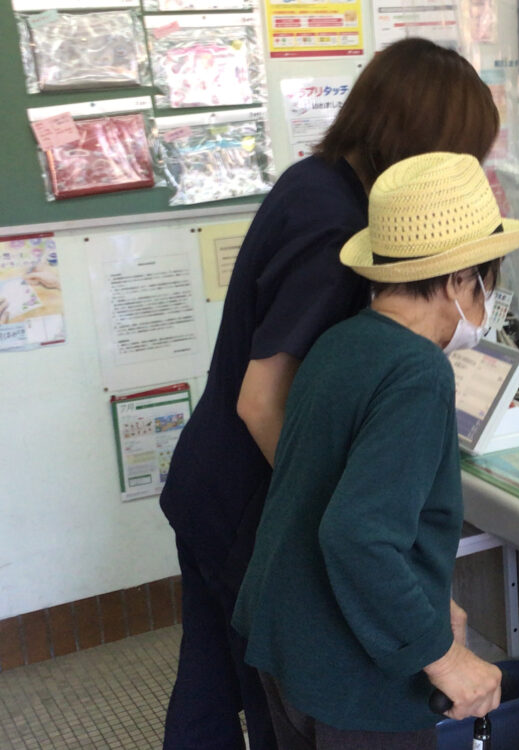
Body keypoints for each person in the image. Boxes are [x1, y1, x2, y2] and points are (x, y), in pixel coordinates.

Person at [158, 39, 501, 750]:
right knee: (233, 693)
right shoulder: (332, 224)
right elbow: (263, 404)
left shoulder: (316, 182)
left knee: (236, 685)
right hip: (241, 497)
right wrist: (351, 516)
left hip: (226, 497)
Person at [232, 152, 519, 750]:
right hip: (354, 672)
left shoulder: (341, 340)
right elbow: (357, 534)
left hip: (287, 640)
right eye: (486, 285)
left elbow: (327, 496)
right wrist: (443, 659)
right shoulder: (420, 371)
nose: (486, 304)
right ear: (459, 280)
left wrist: (431, 607)